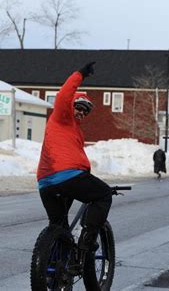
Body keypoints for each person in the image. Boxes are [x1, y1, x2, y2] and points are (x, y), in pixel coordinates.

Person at [37, 61, 112, 259]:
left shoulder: (73, 131)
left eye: (86, 111)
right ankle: (87, 239)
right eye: (79, 107)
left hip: (46, 183)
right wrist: (80, 74)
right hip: (66, 176)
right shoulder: (62, 116)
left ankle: (54, 272)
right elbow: (63, 96)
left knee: (59, 229)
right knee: (103, 195)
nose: (81, 112)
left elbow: (77, 158)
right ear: (71, 106)